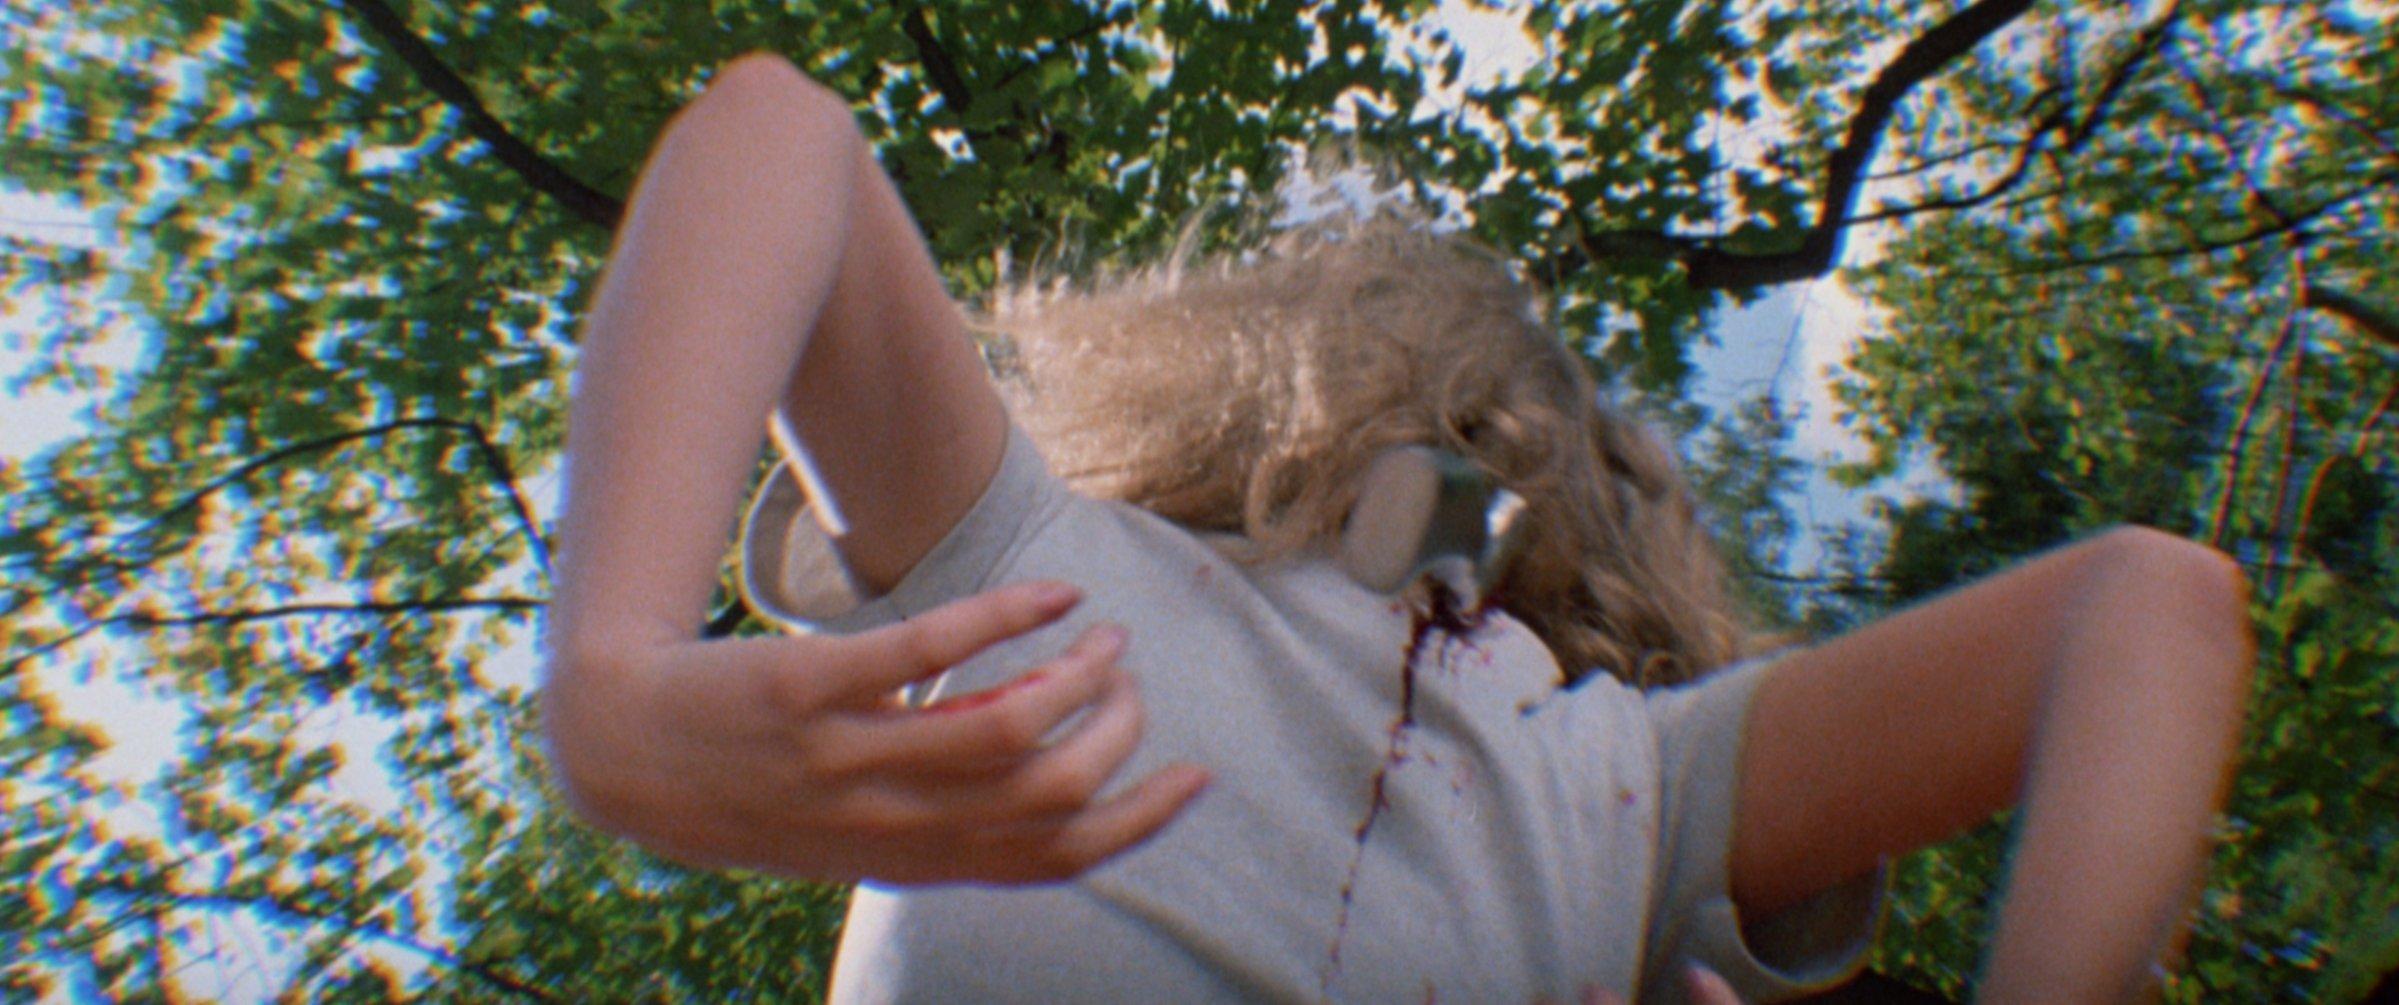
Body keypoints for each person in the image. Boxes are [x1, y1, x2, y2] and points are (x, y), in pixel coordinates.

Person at [540, 53, 2254, 1003]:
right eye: (1461, 440)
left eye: (1522, 473)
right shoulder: (1049, 560)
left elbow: (2142, 615)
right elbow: (783, 142)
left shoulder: (1633, 777)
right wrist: (613, 687)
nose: (1460, 505)